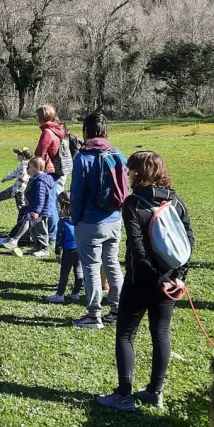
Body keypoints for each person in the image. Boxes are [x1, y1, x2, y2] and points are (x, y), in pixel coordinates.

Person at [96, 152, 194, 411]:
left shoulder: (133, 203)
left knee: (126, 335)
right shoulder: (176, 200)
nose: (127, 174)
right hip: (170, 282)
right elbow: (188, 242)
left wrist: (157, 278)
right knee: (160, 333)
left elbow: (138, 248)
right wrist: (177, 277)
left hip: (140, 280)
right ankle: (154, 392)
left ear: (140, 173)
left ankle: (124, 395)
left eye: (130, 170)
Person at [70, 112, 128, 330]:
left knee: (91, 267)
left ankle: (94, 315)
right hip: (114, 218)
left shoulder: (82, 158)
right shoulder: (118, 154)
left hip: (89, 221)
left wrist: (75, 218)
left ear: (86, 132)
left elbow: (76, 194)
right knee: (112, 263)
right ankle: (118, 310)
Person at [0, 156, 54, 258]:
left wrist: (37, 211)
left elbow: (40, 198)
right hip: (33, 209)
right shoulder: (35, 178)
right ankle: (36, 246)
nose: (27, 169)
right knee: (33, 230)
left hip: (40, 212)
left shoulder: (41, 181)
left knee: (40, 231)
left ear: (37, 168)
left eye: (30, 167)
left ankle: (44, 248)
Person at [34, 104, 68, 240]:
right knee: (53, 200)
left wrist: (35, 167)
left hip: (49, 169)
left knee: (50, 202)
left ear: (43, 116)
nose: (36, 118)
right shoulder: (58, 129)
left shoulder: (47, 132)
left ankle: (53, 234)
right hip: (57, 169)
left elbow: (39, 153)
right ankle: (53, 232)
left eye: (37, 115)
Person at [47, 192, 83, 303]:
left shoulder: (63, 222)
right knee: (79, 271)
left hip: (68, 250)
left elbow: (60, 238)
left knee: (64, 273)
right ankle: (76, 293)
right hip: (80, 248)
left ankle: (60, 295)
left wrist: (57, 252)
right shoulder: (81, 219)